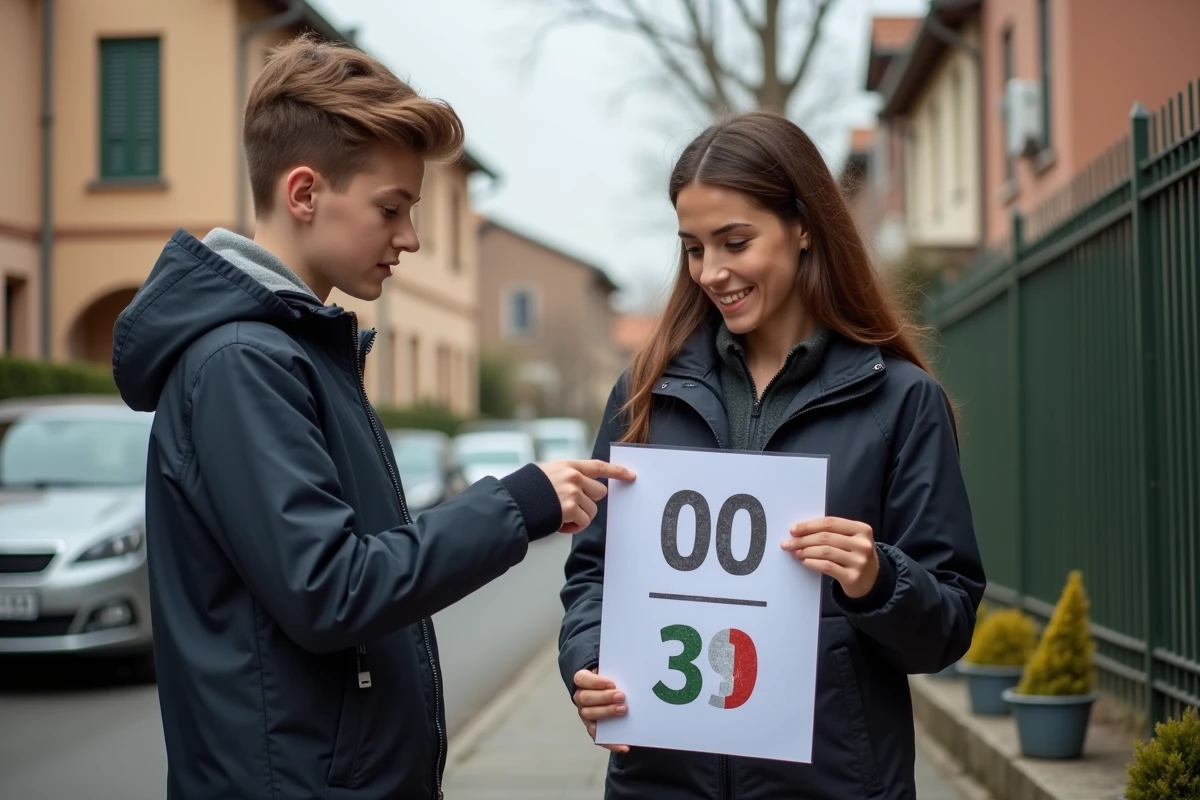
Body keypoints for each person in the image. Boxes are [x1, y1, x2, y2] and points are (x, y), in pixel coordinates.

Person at [111, 34, 633, 800]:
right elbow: (331, 588)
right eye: (393, 209)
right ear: (304, 193)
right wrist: (518, 503)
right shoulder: (242, 364)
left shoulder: (298, 348)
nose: (411, 239)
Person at [559, 110, 986, 800]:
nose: (712, 271)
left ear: (805, 226)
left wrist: (878, 578)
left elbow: (945, 630)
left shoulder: (901, 401)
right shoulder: (644, 391)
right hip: (658, 782)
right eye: (694, 248)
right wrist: (587, 661)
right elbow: (593, 576)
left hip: (835, 784)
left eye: (735, 241)